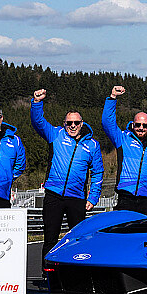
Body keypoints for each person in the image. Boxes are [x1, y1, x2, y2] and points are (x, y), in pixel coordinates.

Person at [31, 88, 103, 261]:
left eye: (76, 123)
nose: (72, 126)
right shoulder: (55, 135)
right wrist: (37, 103)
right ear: (64, 123)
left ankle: (76, 274)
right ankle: (47, 274)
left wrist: (93, 198)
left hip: (77, 198)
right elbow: (38, 121)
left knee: (77, 240)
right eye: (69, 122)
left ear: (82, 124)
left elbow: (98, 172)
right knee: (50, 238)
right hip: (54, 196)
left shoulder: (92, 145)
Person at [102, 85, 147, 216]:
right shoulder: (122, 138)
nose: (141, 128)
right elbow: (107, 123)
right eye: (138, 125)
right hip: (125, 195)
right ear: (133, 125)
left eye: (144, 125)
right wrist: (112, 98)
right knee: (123, 231)